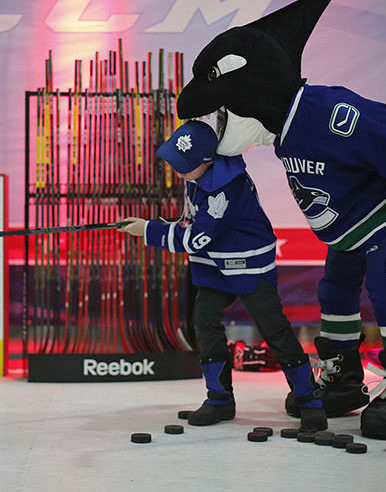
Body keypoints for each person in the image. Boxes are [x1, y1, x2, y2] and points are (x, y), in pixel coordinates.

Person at [174, 0, 386, 440]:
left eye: (224, 106)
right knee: (334, 287)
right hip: (348, 225)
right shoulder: (283, 131)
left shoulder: (329, 112)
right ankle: (344, 376)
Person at [119, 119, 327, 432]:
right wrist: (155, 225)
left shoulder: (224, 189)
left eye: (183, 164)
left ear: (207, 161)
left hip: (248, 265)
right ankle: (219, 399)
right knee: (203, 320)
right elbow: (192, 221)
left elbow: (196, 238)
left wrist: (148, 230)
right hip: (214, 264)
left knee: (274, 329)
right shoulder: (197, 174)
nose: (178, 170)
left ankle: (308, 400)